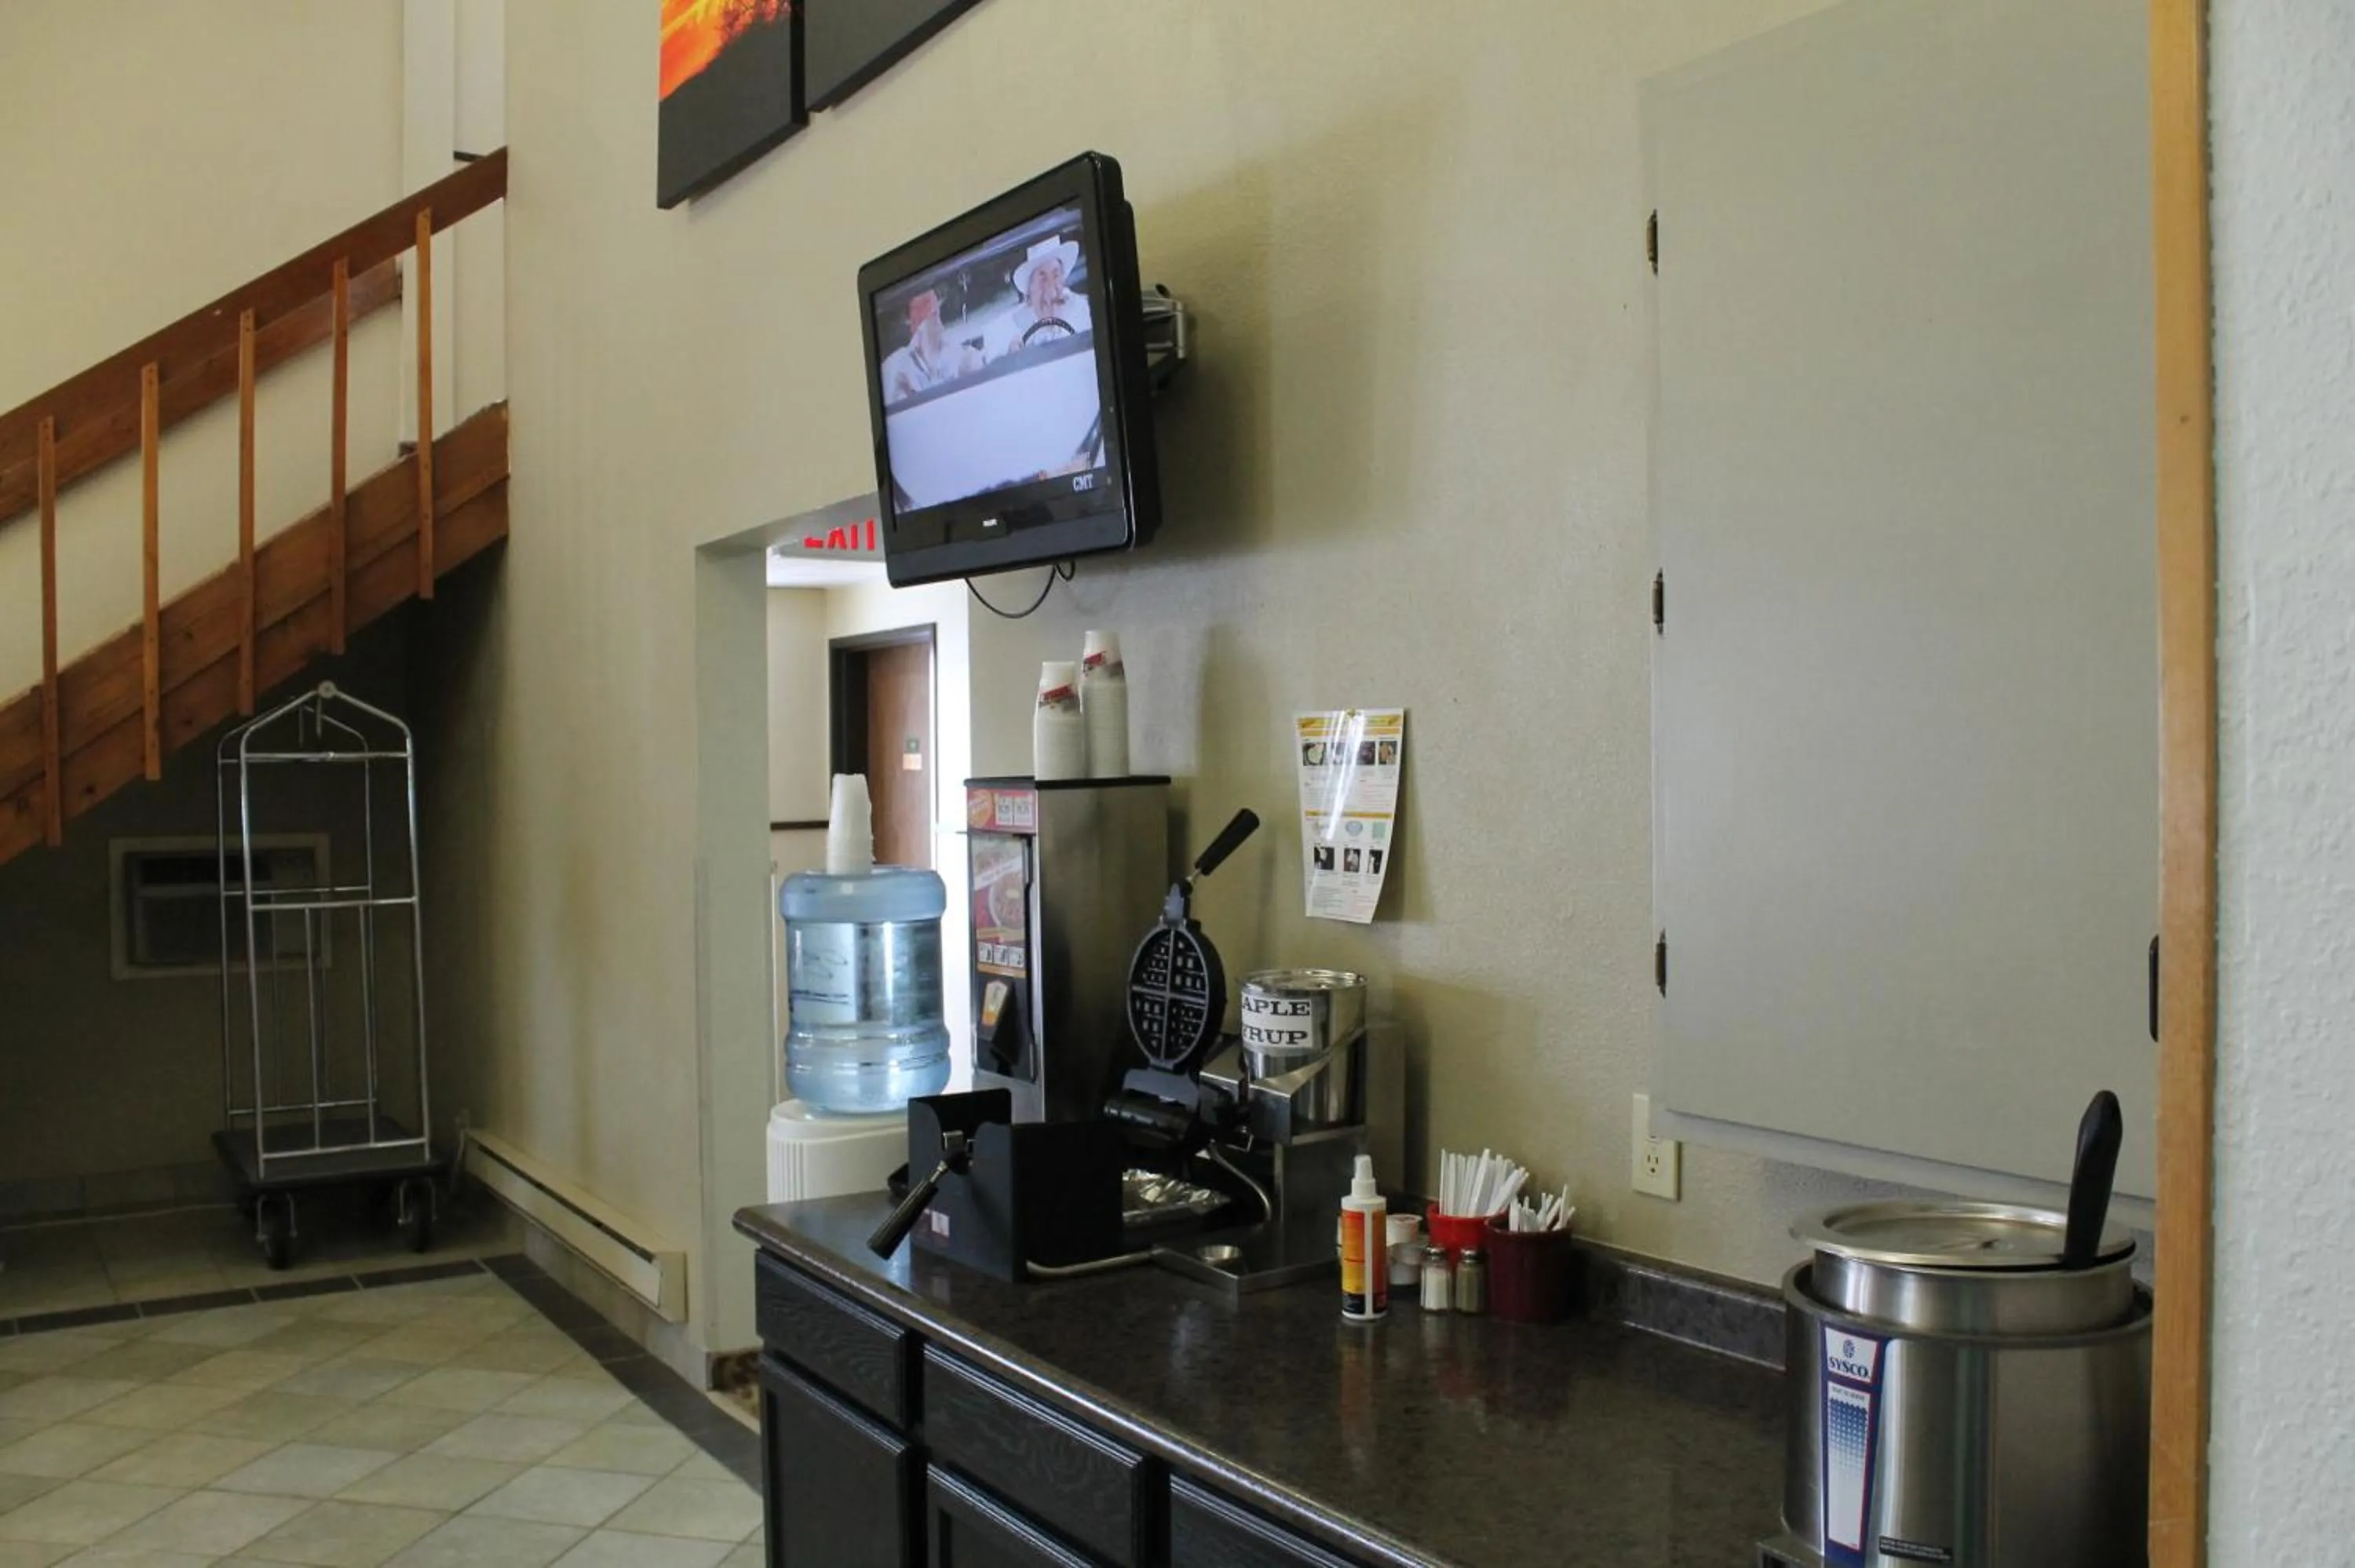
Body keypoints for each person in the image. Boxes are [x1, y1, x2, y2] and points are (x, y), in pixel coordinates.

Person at [985, 236, 1090, 359]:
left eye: (1056, 276)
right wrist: (1012, 359)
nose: (1051, 292)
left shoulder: (1081, 309)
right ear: (1030, 291)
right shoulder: (1007, 330)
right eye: (1043, 279)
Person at [879, 289, 972, 403]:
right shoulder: (895, 365)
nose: (938, 323)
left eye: (935, 313)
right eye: (933, 315)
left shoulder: (957, 352)